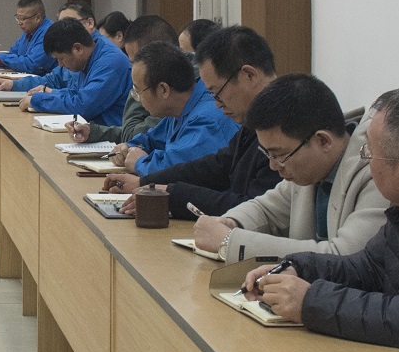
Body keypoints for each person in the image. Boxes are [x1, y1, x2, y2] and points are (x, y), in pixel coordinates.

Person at [240, 83, 399, 348]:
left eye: (369, 153)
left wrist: (310, 301)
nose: (365, 161)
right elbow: (369, 267)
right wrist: (299, 268)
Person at [191, 74, 389, 261]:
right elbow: (265, 210)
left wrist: (230, 242)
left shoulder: (378, 172)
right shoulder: (308, 171)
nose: (273, 165)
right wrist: (231, 223)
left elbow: (344, 257)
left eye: (279, 155)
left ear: (323, 141)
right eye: (268, 154)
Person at [101, 25, 279, 215]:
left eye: (217, 92)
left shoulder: (282, 127)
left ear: (249, 75)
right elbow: (217, 165)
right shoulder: (255, 120)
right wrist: (145, 182)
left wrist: (171, 195)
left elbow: (252, 207)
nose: (217, 104)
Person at [110, 42, 238, 175]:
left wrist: (139, 163)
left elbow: (174, 170)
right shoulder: (181, 108)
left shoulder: (207, 120)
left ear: (163, 90)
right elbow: (153, 140)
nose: (137, 98)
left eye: (138, 91)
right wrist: (128, 147)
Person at [80, 15, 174, 144]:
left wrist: (138, 87)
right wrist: (94, 132)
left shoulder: (173, 91)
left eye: (135, 62)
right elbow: (138, 134)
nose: (132, 68)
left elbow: (132, 135)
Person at [21, 18, 131, 122]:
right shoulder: (90, 55)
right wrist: (50, 92)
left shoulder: (110, 63)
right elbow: (78, 93)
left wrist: (38, 101)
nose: (60, 65)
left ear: (78, 48)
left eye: (61, 58)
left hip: (109, 132)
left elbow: (83, 106)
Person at [0, 0, 52, 75]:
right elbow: (13, 53)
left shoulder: (49, 33)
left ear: (37, 17)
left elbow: (32, 65)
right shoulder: (29, 31)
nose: (19, 22)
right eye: (18, 18)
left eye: (23, 18)